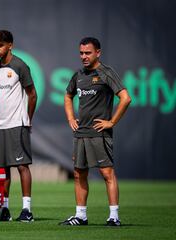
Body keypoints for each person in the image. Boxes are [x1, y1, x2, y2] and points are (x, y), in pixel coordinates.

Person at [60, 37, 131, 227]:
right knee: (78, 174)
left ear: (98, 53)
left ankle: (114, 217)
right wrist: (70, 118)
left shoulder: (106, 73)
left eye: (88, 53)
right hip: (81, 133)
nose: (84, 56)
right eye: (81, 53)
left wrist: (112, 122)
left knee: (107, 173)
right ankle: (81, 216)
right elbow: (68, 96)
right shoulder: (78, 75)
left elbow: (125, 98)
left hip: (99, 133)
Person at [0, 30, 37, 222]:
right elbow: (1, 97)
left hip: (18, 123)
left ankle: (27, 210)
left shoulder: (20, 66)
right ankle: (4, 209)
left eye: (0, 45)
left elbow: (32, 94)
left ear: (10, 45)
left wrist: (28, 118)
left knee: (22, 166)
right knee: (2, 168)